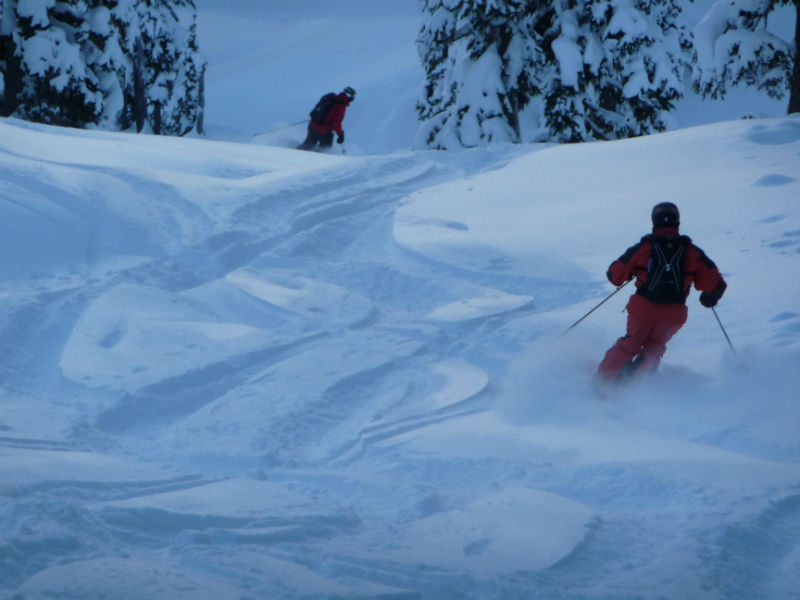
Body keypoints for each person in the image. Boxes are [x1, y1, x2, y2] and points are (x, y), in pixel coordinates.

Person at [597, 202, 727, 383]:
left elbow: (614, 275)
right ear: (677, 222)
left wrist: (636, 271)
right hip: (674, 313)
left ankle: (602, 382)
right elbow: (717, 284)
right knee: (655, 347)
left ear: (654, 221)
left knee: (630, 345)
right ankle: (639, 385)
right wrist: (708, 298)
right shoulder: (691, 251)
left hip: (644, 308)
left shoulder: (645, 247)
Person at [297, 86, 355, 151]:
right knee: (324, 150)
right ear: (350, 97)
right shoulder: (341, 106)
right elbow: (336, 123)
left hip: (313, 125)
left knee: (307, 146)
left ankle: (294, 153)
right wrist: (340, 135)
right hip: (324, 131)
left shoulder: (330, 96)